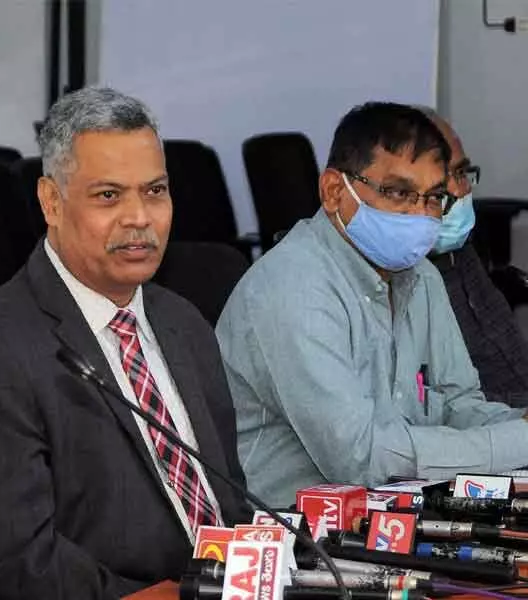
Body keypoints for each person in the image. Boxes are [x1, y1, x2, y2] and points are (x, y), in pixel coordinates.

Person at [0, 87, 250, 599]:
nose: (139, 218)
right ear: (52, 202)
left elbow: (228, 495)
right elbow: (10, 559)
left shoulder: (182, 321)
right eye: (109, 196)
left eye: (155, 191)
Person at [215, 101, 528, 507]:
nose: (419, 215)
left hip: (390, 518)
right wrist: (518, 441)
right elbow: (360, 457)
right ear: (333, 191)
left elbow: (459, 404)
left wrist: (515, 425)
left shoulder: (422, 277)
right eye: (398, 192)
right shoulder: (293, 287)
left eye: (433, 198)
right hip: (287, 536)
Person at [421, 108, 528, 408]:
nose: (461, 189)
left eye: (462, 172)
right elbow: (447, 410)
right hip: (489, 433)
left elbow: (509, 355)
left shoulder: (461, 244)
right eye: (446, 176)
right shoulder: (399, 275)